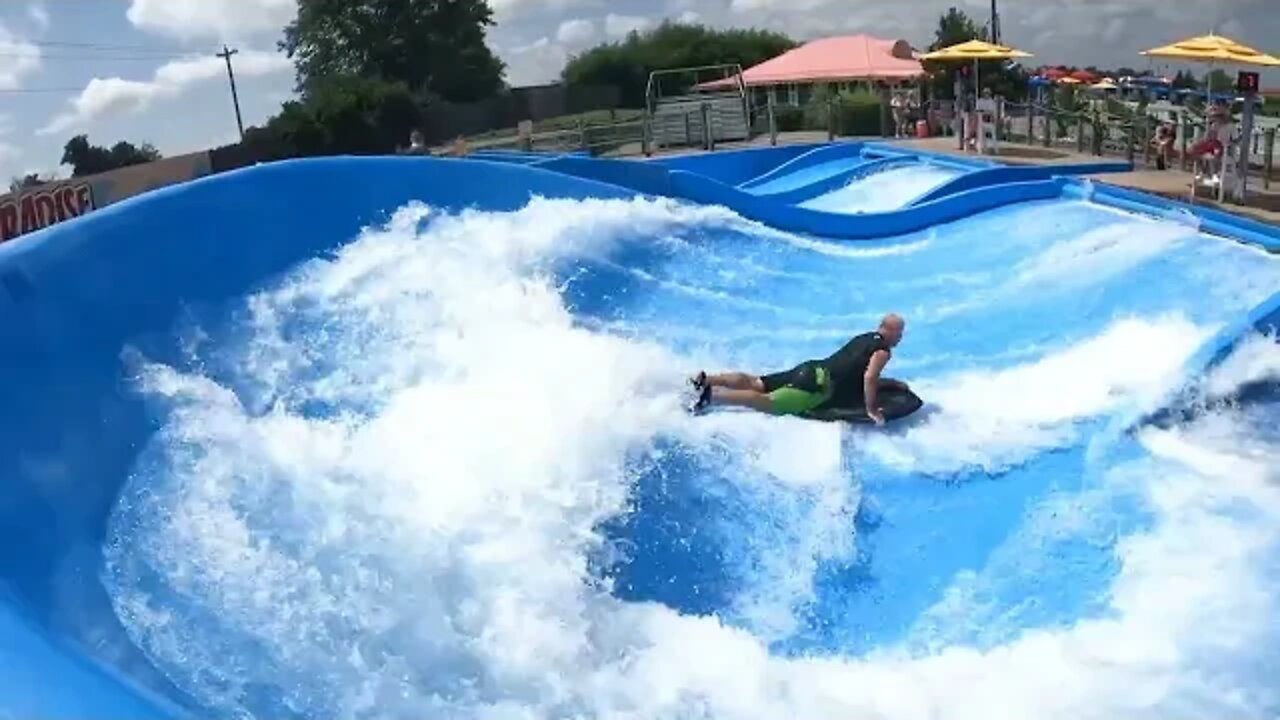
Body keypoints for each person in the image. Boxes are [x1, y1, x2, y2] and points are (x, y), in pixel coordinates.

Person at [689, 313, 907, 425]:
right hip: (818, 387)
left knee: (756, 382)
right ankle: (713, 396)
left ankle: (707, 380)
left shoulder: (865, 338)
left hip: (810, 369)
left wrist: (892, 383)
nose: (900, 337)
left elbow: (855, 371)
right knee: (767, 401)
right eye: (899, 333)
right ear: (890, 331)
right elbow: (869, 377)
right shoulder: (882, 351)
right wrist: (871, 410)